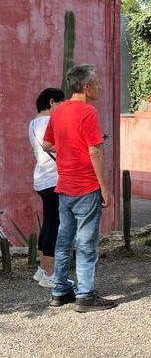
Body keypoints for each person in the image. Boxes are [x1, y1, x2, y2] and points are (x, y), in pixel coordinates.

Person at [43, 64, 116, 312]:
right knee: (86, 243)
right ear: (86, 86)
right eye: (96, 83)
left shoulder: (58, 111)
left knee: (63, 241)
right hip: (86, 186)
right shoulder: (88, 112)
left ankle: (59, 290)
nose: (100, 86)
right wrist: (104, 187)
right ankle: (85, 294)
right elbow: (95, 151)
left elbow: (46, 144)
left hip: (64, 186)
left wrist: (68, 148)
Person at [29, 88, 64, 288]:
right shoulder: (48, 122)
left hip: (41, 178)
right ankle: (50, 273)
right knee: (54, 224)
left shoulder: (33, 123)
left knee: (48, 222)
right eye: (61, 103)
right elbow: (54, 146)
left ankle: (43, 269)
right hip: (53, 178)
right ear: (52, 102)